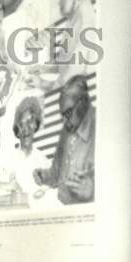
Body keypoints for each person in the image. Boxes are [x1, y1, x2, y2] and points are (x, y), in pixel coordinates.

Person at [34, 74, 96, 204]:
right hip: (63, 209)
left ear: (83, 102)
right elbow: (56, 173)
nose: (64, 122)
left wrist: (93, 188)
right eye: (62, 115)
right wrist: (45, 176)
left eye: (68, 113)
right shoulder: (67, 129)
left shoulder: (102, 124)